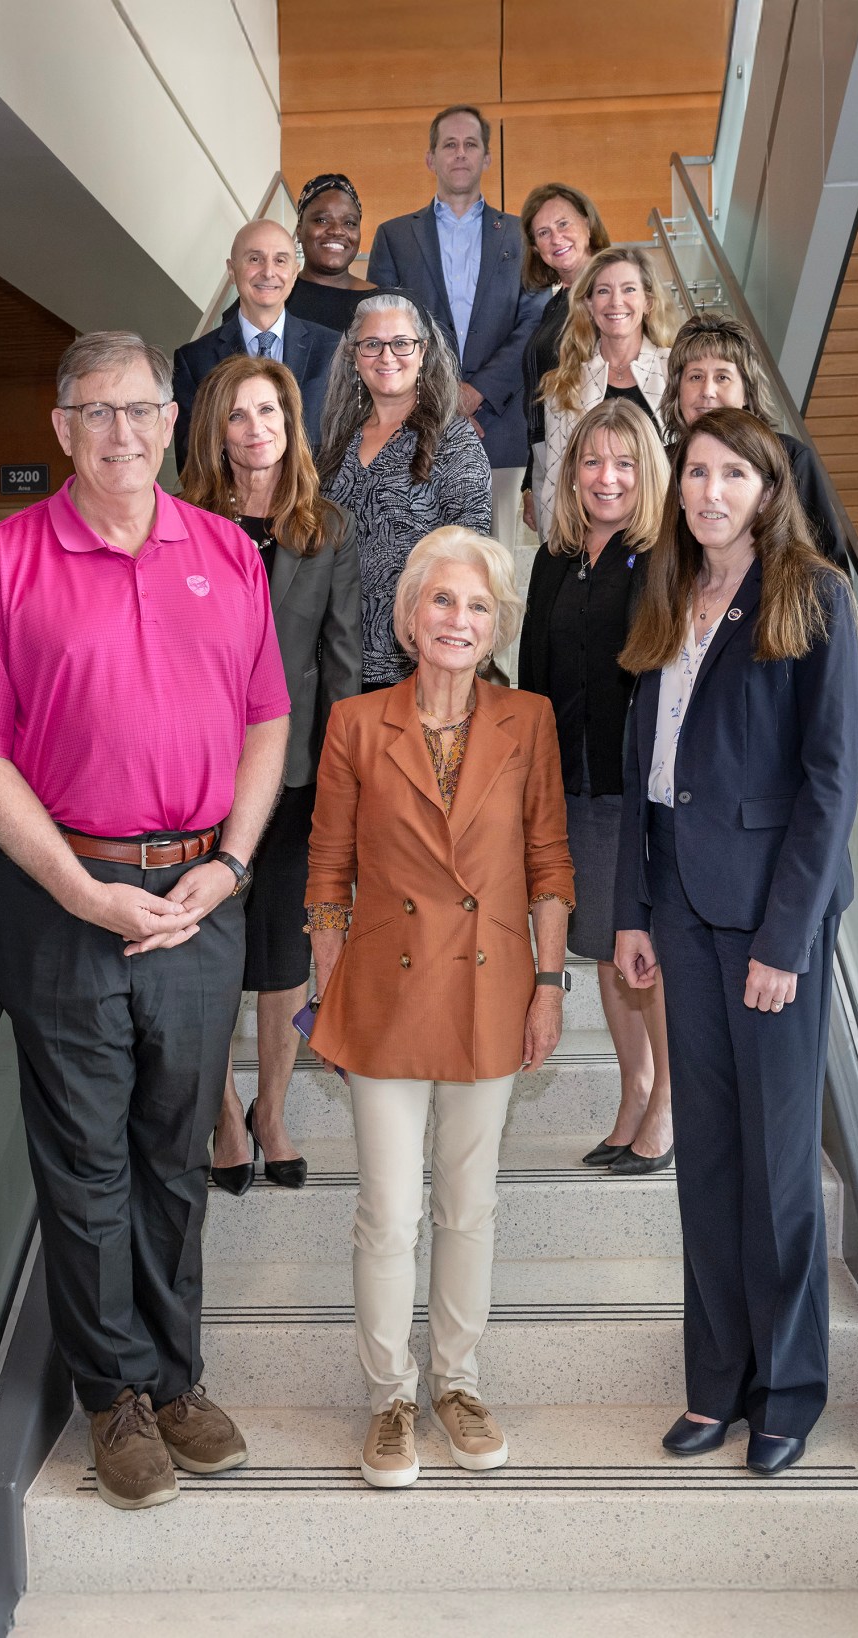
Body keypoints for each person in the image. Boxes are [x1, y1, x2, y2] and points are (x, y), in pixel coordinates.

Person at [0, 332, 291, 1510]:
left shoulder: (225, 551)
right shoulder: (0, 566)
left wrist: (228, 866)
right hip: (58, 903)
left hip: (194, 901)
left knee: (175, 1155)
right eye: (95, 412)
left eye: (139, 409)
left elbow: (266, 723)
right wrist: (79, 891)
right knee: (84, 1160)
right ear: (60, 428)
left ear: (171, 419)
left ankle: (176, 1380)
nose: (121, 432)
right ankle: (110, 1395)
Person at [611, 407, 858, 1478]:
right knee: (705, 1161)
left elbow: (826, 784)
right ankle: (713, 1383)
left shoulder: (811, 595)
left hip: (768, 925)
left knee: (776, 1173)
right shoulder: (669, 592)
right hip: (678, 909)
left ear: (767, 488)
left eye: (730, 475)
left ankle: (788, 1394)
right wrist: (630, 908)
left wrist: (785, 939)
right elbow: (644, 773)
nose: (707, 492)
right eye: (695, 473)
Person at [303, 526, 574, 1489]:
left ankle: (456, 1384)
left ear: (498, 624)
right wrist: (328, 987)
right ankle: (390, 1397)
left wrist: (549, 983)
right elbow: (327, 869)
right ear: (410, 616)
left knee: (469, 1207)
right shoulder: (353, 722)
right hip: (384, 994)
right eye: (442, 601)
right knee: (387, 1213)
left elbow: (548, 862)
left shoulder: (529, 720)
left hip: (494, 986)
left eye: (478, 606)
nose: (459, 620)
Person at [178, 352, 361, 1194]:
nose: (258, 430)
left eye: (272, 414)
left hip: (290, 785)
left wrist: (340, 787)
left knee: (285, 958)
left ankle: (274, 1112)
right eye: (240, 415)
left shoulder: (327, 529)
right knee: (209, 958)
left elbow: (342, 664)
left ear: (293, 428)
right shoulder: (176, 524)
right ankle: (221, 1114)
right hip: (193, 783)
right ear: (216, 429)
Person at [516, 399, 674, 1175]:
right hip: (571, 786)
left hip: (635, 788)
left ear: (647, 474)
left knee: (644, 950)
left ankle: (667, 1106)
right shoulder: (553, 559)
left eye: (623, 463)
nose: (606, 477)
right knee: (608, 952)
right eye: (590, 461)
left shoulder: (666, 557)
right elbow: (532, 679)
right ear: (570, 472)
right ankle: (633, 1089)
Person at [365, 105, 544, 521]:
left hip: (498, 426)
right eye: (449, 144)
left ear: (486, 158)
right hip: (415, 426)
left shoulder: (521, 235)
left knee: (493, 567)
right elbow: (385, 329)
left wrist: (477, 390)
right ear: (431, 158)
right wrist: (445, 396)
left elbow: (533, 323)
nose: (460, 153)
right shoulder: (394, 237)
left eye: (470, 144)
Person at [320, 293, 493, 691]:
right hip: (336, 664)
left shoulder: (454, 442)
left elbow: (473, 560)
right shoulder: (336, 441)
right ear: (353, 355)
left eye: (401, 343)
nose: (387, 357)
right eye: (371, 344)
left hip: (417, 668)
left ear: (423, 351)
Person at [659, 315, 848, 565]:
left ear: (747, 392)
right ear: (677, 391)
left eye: (722, 377)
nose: (707, 391)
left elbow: (828, 564)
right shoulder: (661, 462)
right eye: (695, 377)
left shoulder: (790, 457)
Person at [173, 218, 339, 463]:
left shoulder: (334, 349)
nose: (269, 272)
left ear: (295, 273)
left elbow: (343, 446)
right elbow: (193, 460)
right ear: (232, 270)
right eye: (254, 259)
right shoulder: (194, 361)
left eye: (280, 260)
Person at [534, 247, 675, 531]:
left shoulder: (675, 371)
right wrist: (554, 550)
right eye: (603, 291)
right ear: (588, 304)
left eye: (629, 289)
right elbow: (556, 477)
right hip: (591, 542)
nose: (616, 302)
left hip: (665, 537)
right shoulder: (564, 384)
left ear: (648, 302)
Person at [517, 182, 611, 536]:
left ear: (587, 224)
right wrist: (531, 480)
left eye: (563, 224)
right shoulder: (555, 304)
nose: (555, 238)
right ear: (536, 248)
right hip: (550, 458)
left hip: (597, 457)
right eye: (543, 232)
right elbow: (539, 401)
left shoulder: (611, 289)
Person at [286, 172, 377, 334]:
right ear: (299, 230)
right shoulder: (278, 296)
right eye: (322, 220)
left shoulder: (380, 303)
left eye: (349, 223)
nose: (337, 231)